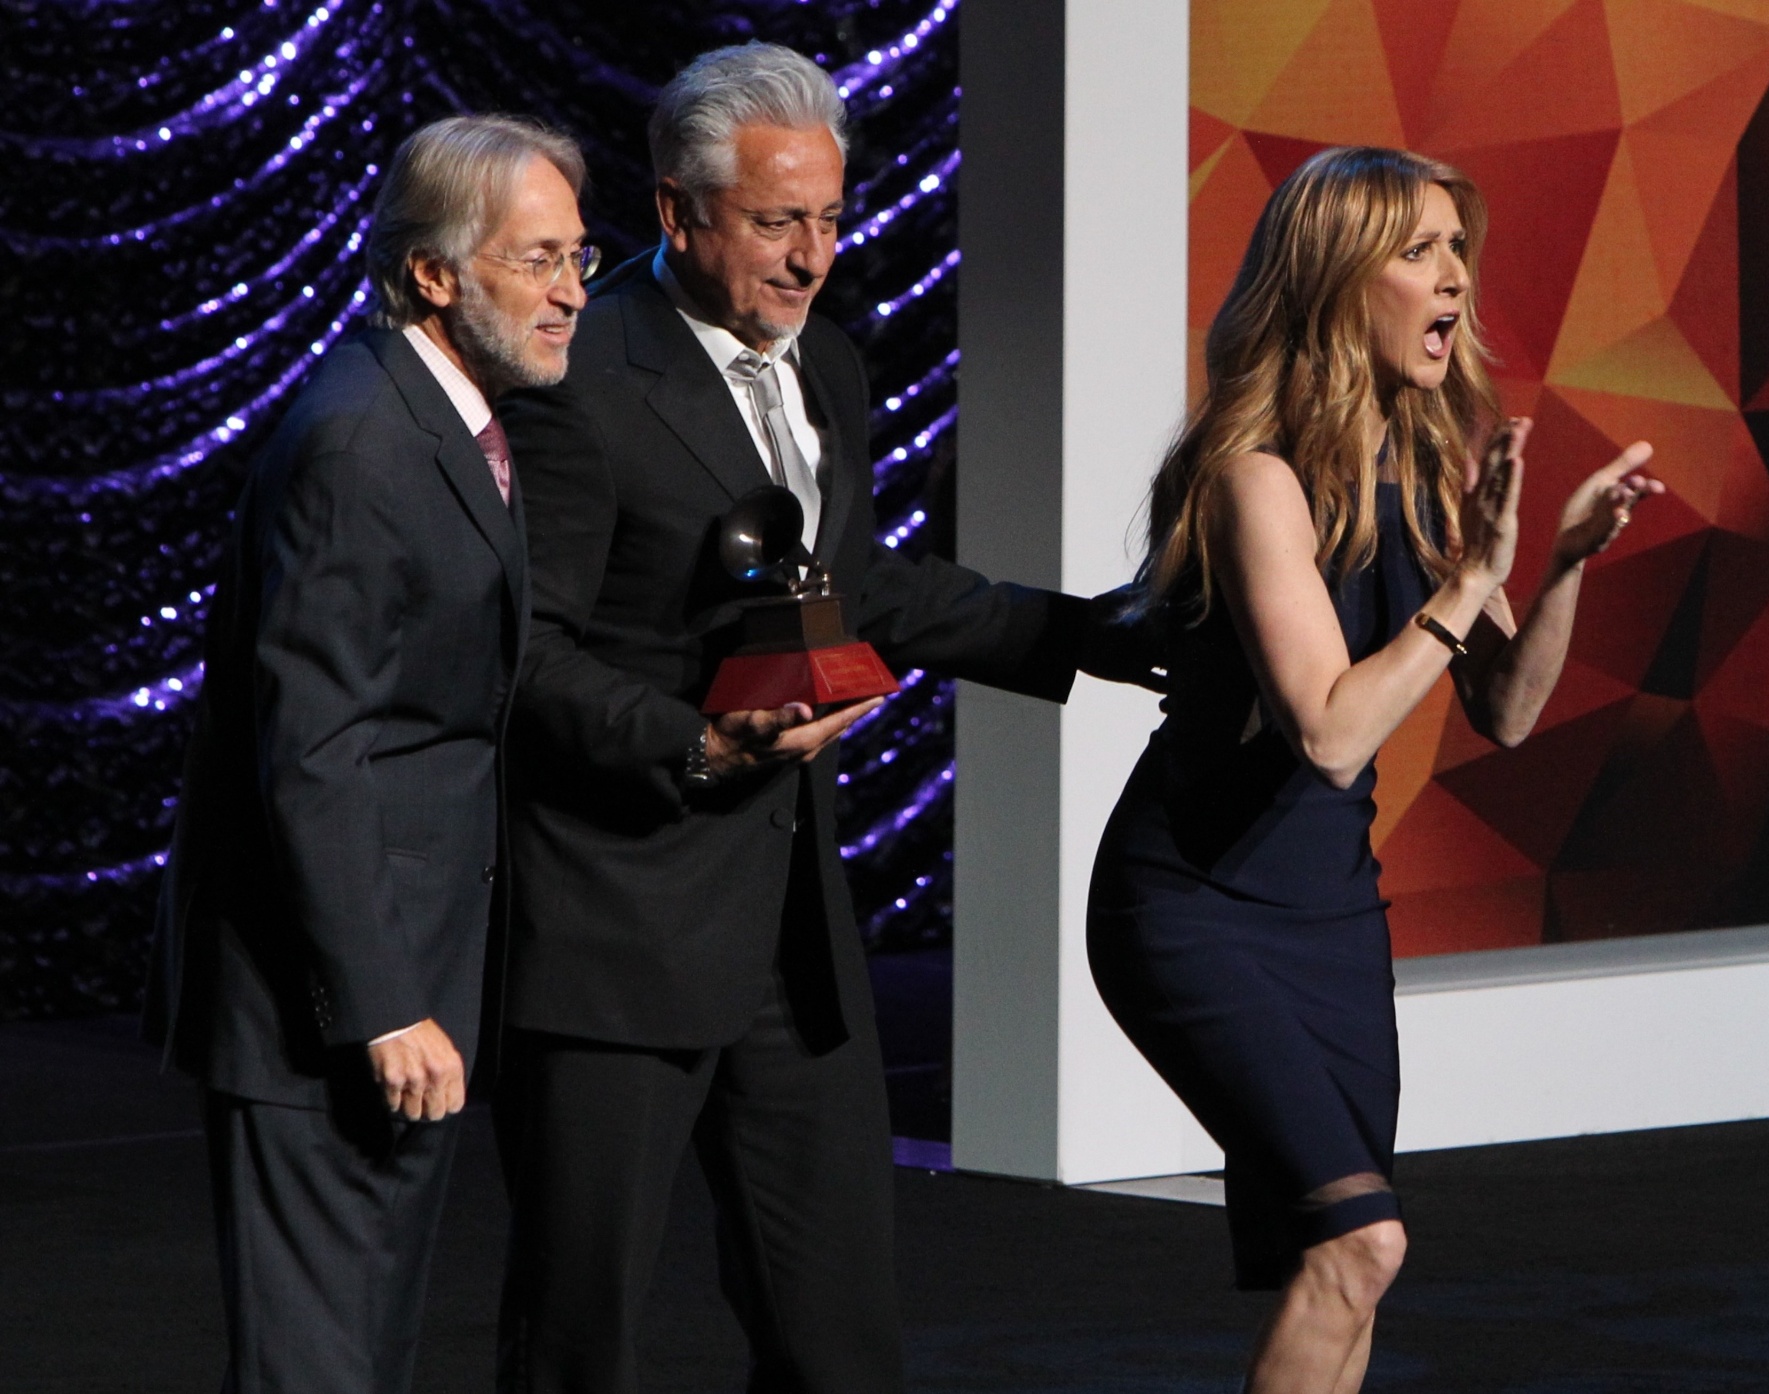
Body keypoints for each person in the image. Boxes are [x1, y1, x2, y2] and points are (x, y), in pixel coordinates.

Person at [490, 41, 1157, 1394]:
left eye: (833, 219)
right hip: (615, 935)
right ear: (679, 213)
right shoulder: (583, 377)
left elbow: (864, 589)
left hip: (792, 948)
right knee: (580, 1343)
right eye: (777, 221)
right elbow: (522, 659)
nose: (813, 256)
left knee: (839, 1337)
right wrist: (697, 740)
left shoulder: (830, 364)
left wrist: (1102, 634)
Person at [1085, 146, 1664, 1394]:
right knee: (1361, 1241)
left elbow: (1503, 707)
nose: (1455, 277)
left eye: (1459, 248)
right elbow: (1334, 727)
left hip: (1330, 918)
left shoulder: (1410, 471)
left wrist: (1552, 567)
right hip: (1194, 909)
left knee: (1349, 1264)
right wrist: (1468, 581)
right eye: (1420, 253)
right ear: (1340, 282)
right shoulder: (1254, 479)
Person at [143, 114, 595, 1394]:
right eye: (536, 259)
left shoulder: (451, 420)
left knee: (367, 1353)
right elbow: (314, 746)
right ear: (436, 274)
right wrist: (386, 998)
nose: (571, 290)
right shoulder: (361, 441)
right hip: (332, 999)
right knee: (317, 1364)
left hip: (412, 973)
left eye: (578, 253)